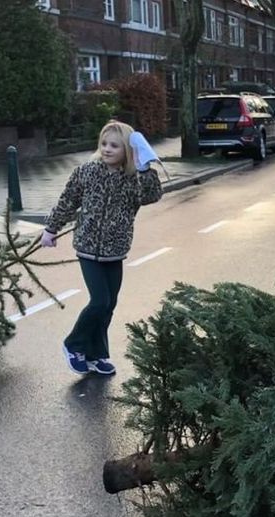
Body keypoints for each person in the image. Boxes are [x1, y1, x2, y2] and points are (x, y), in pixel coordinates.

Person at [40, 121, 164, 375]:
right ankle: (74, 344)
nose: (107, 149)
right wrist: (51, 229)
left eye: (114, 146)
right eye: (104, 144)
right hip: (87, 247)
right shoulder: (86, 172)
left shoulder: (133, 179)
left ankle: (96, 354)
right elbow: (67, 201)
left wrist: (145, 168)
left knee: (109, 304)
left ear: (127, 151)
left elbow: (152, 195)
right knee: (99, 301)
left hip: (115, 250)